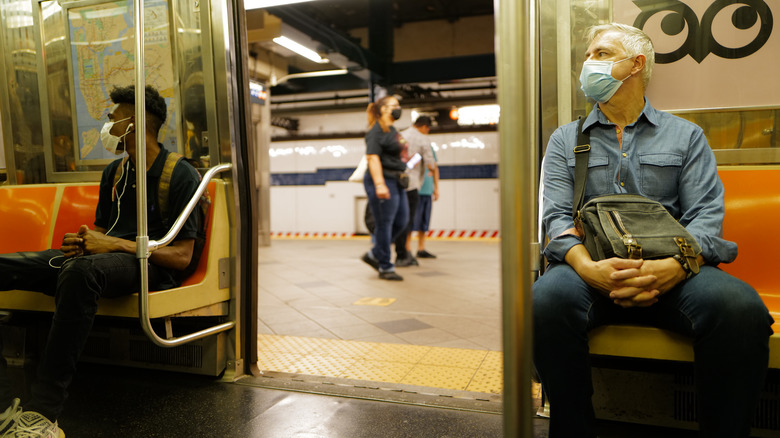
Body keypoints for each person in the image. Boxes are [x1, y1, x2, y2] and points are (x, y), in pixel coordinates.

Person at [533, 23, 773, 438]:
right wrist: (589, 269)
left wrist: (677, 266)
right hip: (592, 272)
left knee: (741, 310)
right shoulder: (566, 140)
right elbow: (555, 218)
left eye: (602, 54)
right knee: (543, 302)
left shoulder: (686, 136)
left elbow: (705, 217)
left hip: (675, 270)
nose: (589, 63)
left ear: (635, 64)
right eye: (588, 56)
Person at [0, 85, 201, 437]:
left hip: (149, 268)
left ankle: (43, 413)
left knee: (80, 273)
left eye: (113, 118)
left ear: (134, 123)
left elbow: (182, 257)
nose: (107, 124)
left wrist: (113, 246)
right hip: (103, 265)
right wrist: (84, 241)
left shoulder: (181, 175)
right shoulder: (116, 173)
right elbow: (102, 231)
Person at [360, 96, 408, 281]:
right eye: (394, 106)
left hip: (396, 180)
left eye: (398, 105)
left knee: (401, 221)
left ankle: (375, 254)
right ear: (382, 109)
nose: (398, 108)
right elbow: (372, 157)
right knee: (384, 224)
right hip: (382, 180)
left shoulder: (393, 130)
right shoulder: (376, 130)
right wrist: (379, 184)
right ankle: (385, 266)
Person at [395, 116, 437, 267]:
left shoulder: (401, 134)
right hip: (411, 185)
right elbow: (430, 162)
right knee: (409, 220)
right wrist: (431, 170)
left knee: (401, 218)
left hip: (398, 182)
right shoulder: (422, 138)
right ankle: (404, 253)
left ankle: (404, 252)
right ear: (425, 126)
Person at [412, 142, 439, 259]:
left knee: (424, 222)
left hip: (427, 190)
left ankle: (421, 248)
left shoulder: (430, 149)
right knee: (411, 222)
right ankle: (406, 249)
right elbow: (409, 166)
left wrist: (436, 188)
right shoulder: (413, 148)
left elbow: (434, 167)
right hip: (415, 190)